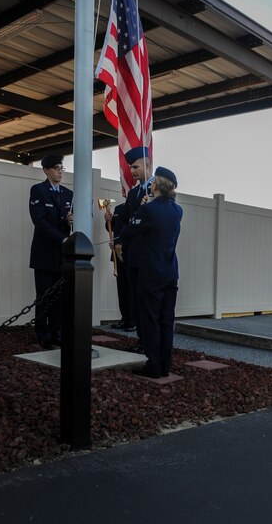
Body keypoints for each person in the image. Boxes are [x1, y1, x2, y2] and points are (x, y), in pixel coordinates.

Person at [121, 166, 183, 378]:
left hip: (150, 273)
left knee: (150, 320)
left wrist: (141, 208)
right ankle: (164, 365)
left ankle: (153, 365)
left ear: (155, 185)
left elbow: (128, 231)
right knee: (166, 320)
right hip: (170, 272)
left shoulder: (148, 209)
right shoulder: (178, 210)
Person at [29, 154, 73, 350]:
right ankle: (43, 334)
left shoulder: (67, 194)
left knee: (59, 297)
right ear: (46, 170)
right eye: (56, 168)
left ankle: (57, 332)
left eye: (61, 168)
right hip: (45, 253)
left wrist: (69, 222)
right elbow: (39, 221)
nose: (60, 171)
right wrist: (61, 237)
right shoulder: (38, 191)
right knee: (44, 296)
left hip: (61, 255)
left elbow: (64, 220)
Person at [115, 146, 153, 349]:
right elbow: (121, 219)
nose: (133, 171)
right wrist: (119, 241)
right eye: (131, 168)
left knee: (147, 303)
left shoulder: (157, 188)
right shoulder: (134, 193)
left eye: (136, 166)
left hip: (148, 255)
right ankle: (141, 340)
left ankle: (148, 342)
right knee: (137, 301)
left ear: (148, 164)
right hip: (132, 254)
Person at [105, 188, 136, 332]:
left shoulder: (136, 208)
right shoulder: (119, 208)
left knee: (131, 287)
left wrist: (122, 243)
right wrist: (108, 220)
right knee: (122, 288)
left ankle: (133, 320)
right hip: (117, 254)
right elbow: (113, 228)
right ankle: (124, 318)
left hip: (129, 252)